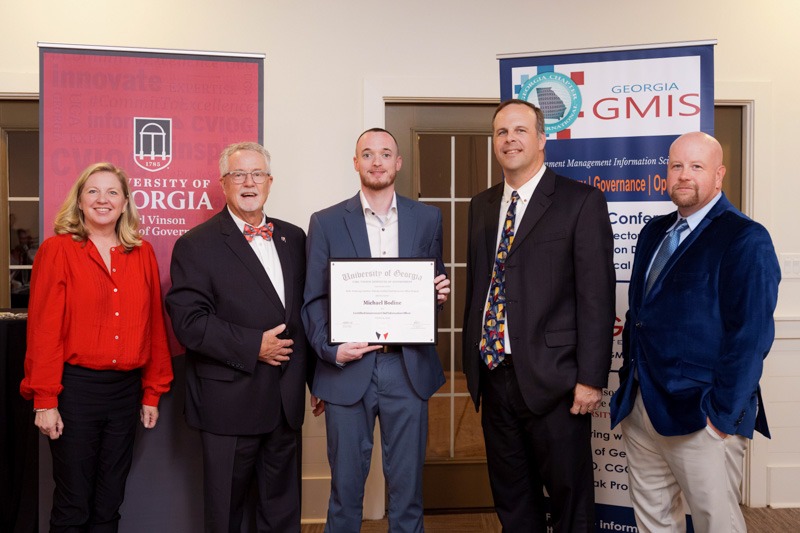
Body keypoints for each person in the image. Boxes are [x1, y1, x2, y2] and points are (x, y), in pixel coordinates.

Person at [610, 132, 781, 533]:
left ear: (719, 175)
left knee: (716, 524)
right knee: (653, 522)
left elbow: (751, 336)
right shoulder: (653, 232)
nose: (684, 175)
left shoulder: (745, 238)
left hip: (701, 415)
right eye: (676, 165)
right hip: (642, 406)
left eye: (696, 166)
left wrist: (721, 417)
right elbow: (640, 315)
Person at [462, 100, 616, 532]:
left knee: (571, 503)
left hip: (557, 381)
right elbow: (481, 284)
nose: (509, 139)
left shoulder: (580, 201)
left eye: (520, 130)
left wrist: (591, 379)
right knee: (513, 501)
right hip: (494, 374)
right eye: (501, 132)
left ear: (542, 139)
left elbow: (596, 297)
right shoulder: (481, 205)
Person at [302, 128, 450, 532]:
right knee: (344, 493)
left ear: (398, 163)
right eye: (367, 154)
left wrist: (438, 294)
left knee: (408, 493)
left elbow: (431, 284)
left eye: (385, 154)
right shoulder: (326, 222)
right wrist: (331, 351)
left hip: (407, 368)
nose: (377, 161)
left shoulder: (427, 218)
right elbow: (313, 299)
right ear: (356, 163)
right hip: (348, 369)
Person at [166, 142, 313, 532]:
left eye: (257, 174)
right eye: (239, 175)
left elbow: (306, 314)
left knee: (282, 515)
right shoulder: (196, 245)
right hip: (228, 404)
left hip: (285, 403)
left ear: (270, 182)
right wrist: (253, 346)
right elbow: (189, 322)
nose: (249, 183)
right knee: (225, 515)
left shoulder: (295, 238)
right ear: (223, 183)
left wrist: (318, 381)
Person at [20, 162, 173, 532]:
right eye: (93, 191)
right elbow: (44, 330)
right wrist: (45, 400)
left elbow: (154, 326)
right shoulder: (57, 250)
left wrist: (152, 391)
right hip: (75, 391)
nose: (102, 199)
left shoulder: (142, 252)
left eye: (112, 192)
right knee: (73, 503)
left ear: (124, 203)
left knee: (109, 501)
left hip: (125, 393)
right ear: (79, 200)